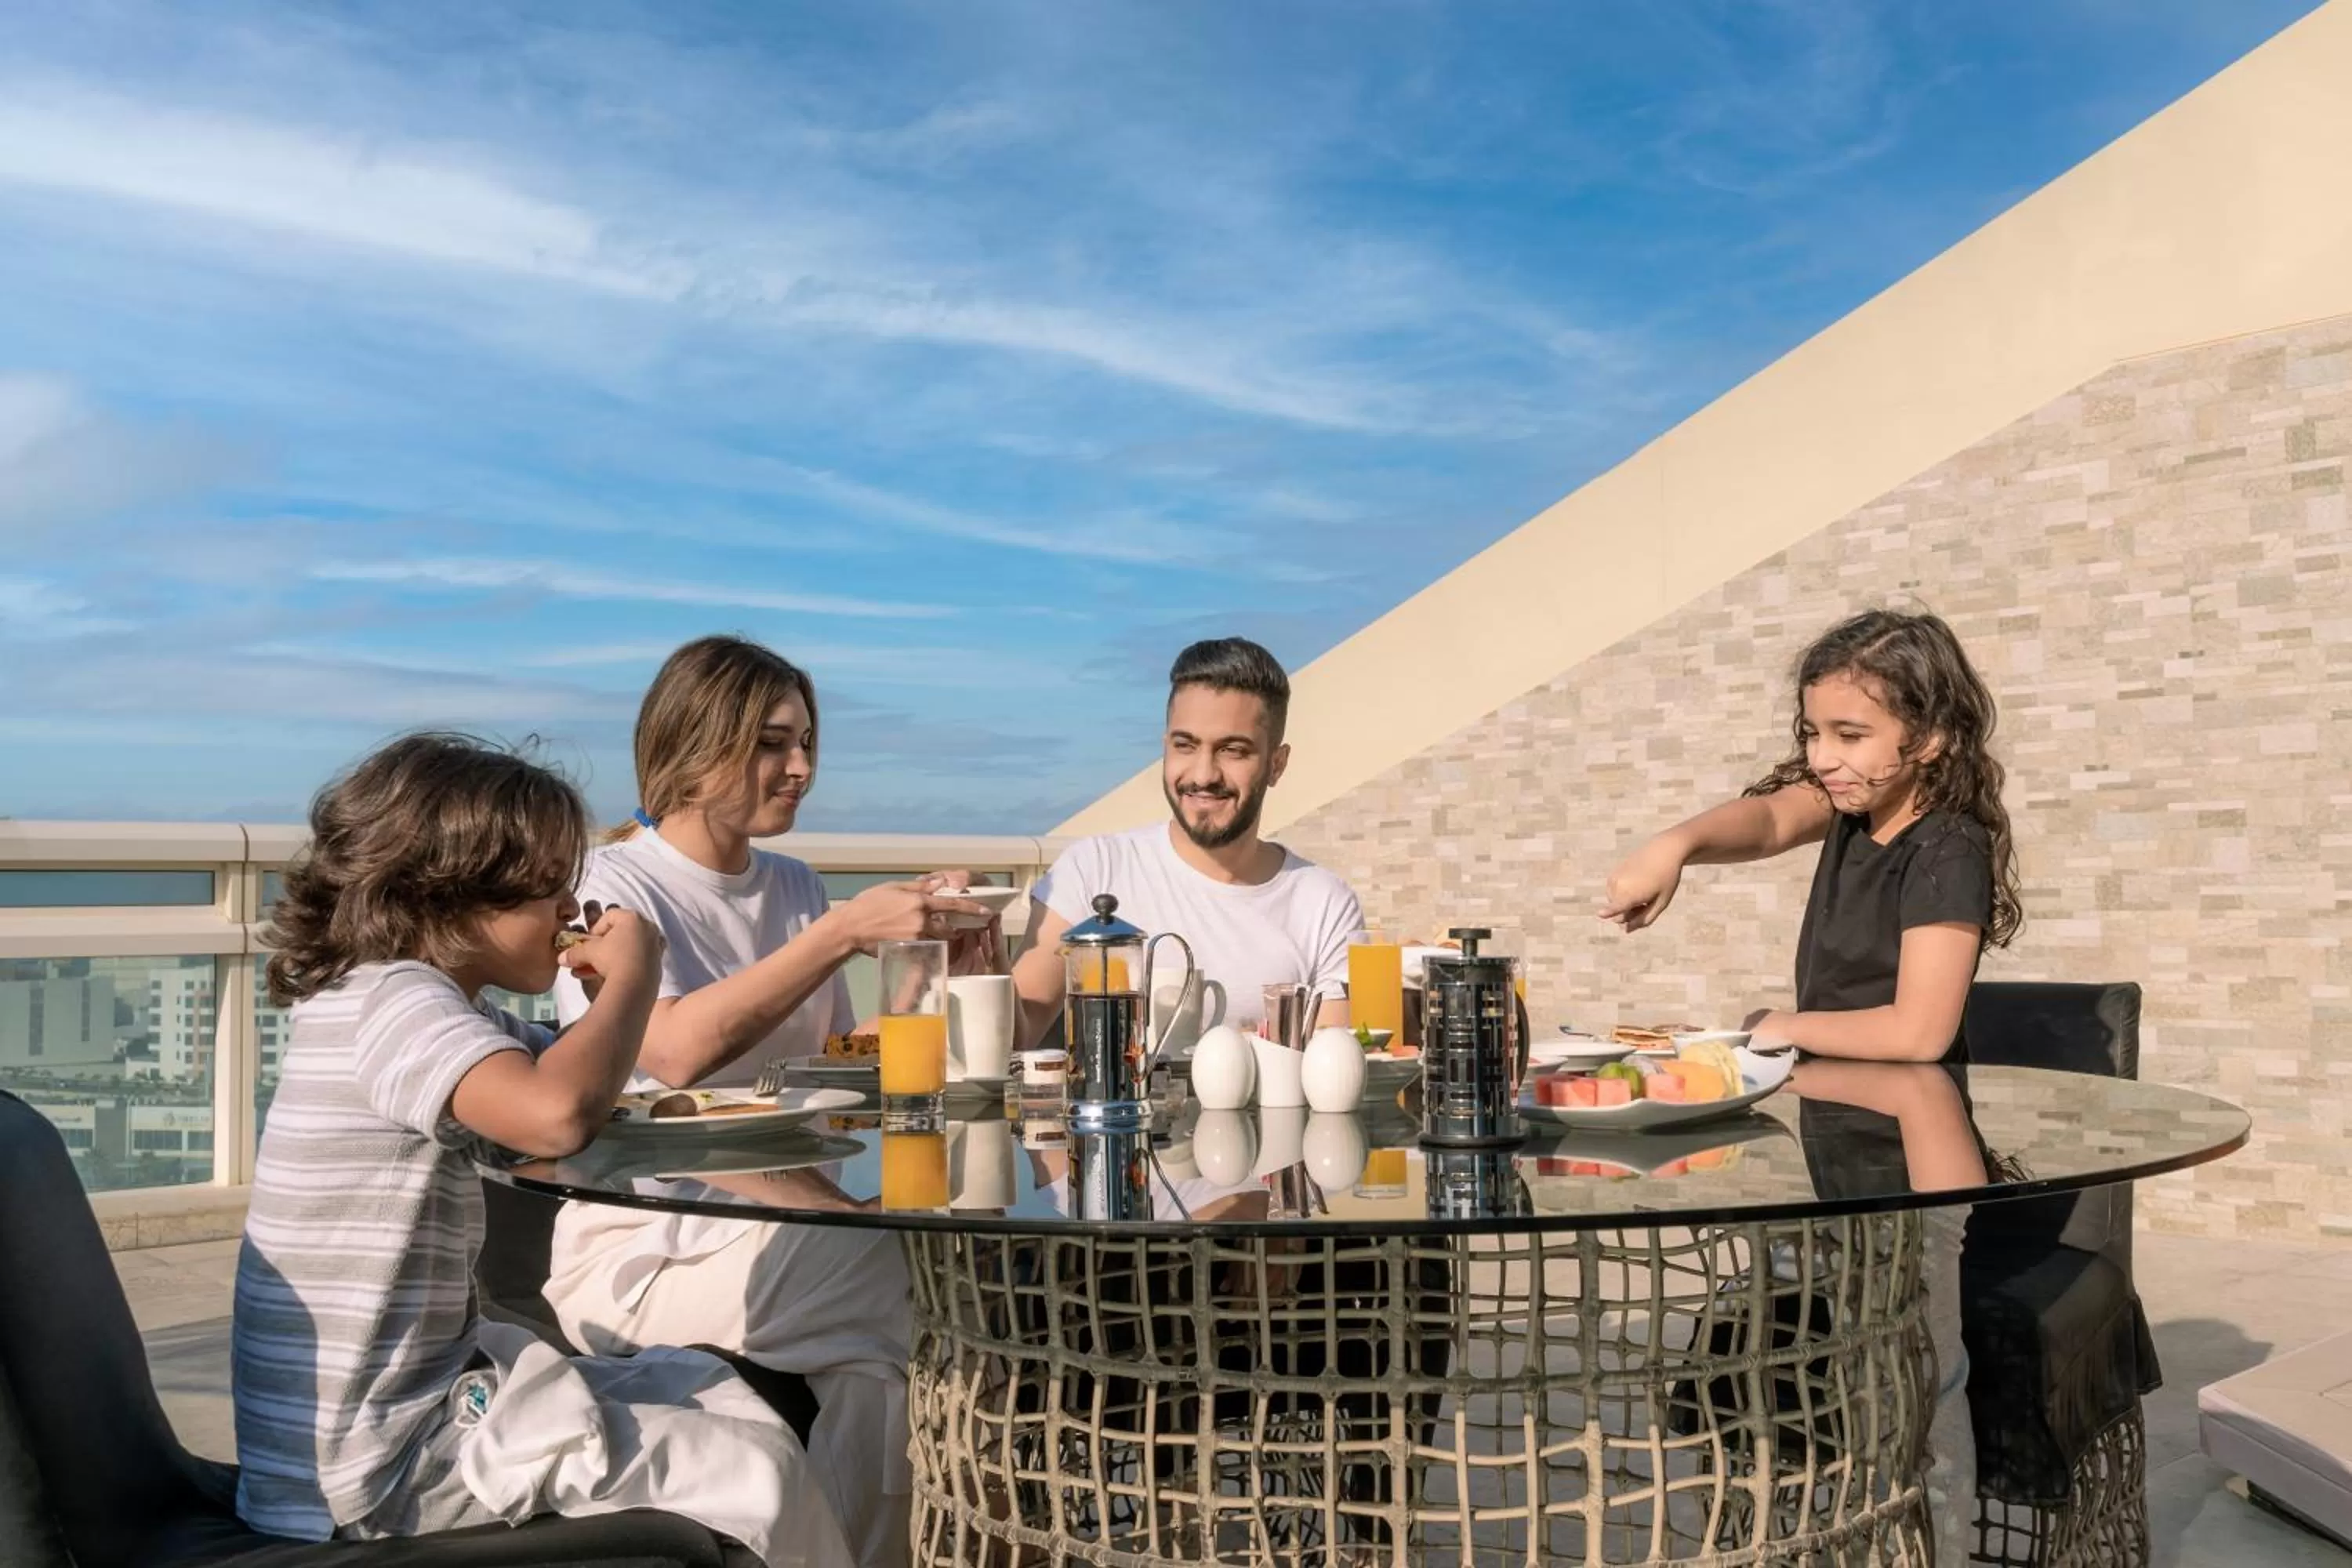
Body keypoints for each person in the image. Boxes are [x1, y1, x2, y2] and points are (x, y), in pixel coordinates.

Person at [232, 733, 851, 1568]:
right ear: (453, 890)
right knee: (756, 1468)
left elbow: (606, 1098)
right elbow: (557, 1114)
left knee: (714, 1394)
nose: (573, 909)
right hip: (380, 1470)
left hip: (382, 1428)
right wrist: (634, 978)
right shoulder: (395, 1001)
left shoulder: (419, 1003)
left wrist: (605, 1017)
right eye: (551, 886)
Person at [543, 635, 989, 1568]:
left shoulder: (792, 884)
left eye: (808, 742)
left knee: (906, 1339)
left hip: (796, 1242)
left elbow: (837, 1078)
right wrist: (838, 933)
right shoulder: (610, 887)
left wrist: (948, 964)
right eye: (774, 744)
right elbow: (671, 1055)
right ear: (695, 746)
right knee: (913, 1277)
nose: (803, 769)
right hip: (647, 1251)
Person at [1599, 607, 2023, 1061]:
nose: (1821, 759)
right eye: (1813, 734)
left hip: (1910, 1115)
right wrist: (1674, 846)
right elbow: (1771, 820)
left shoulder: (1947, 851)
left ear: (1929, 739)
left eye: (1850, 736)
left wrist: (1781, 1026)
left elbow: (1918, 1035)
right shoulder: (1855, 806)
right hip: (1837, 1104)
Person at [1013, 637, 1363, 1051]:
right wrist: (973, 957)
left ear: (1276, 765)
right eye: (1186, 745)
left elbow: (1334, 1067)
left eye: (1233, 750)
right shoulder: (1094, 869)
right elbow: (1017, 1037)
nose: (1203, 774)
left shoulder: (1323, 903)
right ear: (1166, 748)